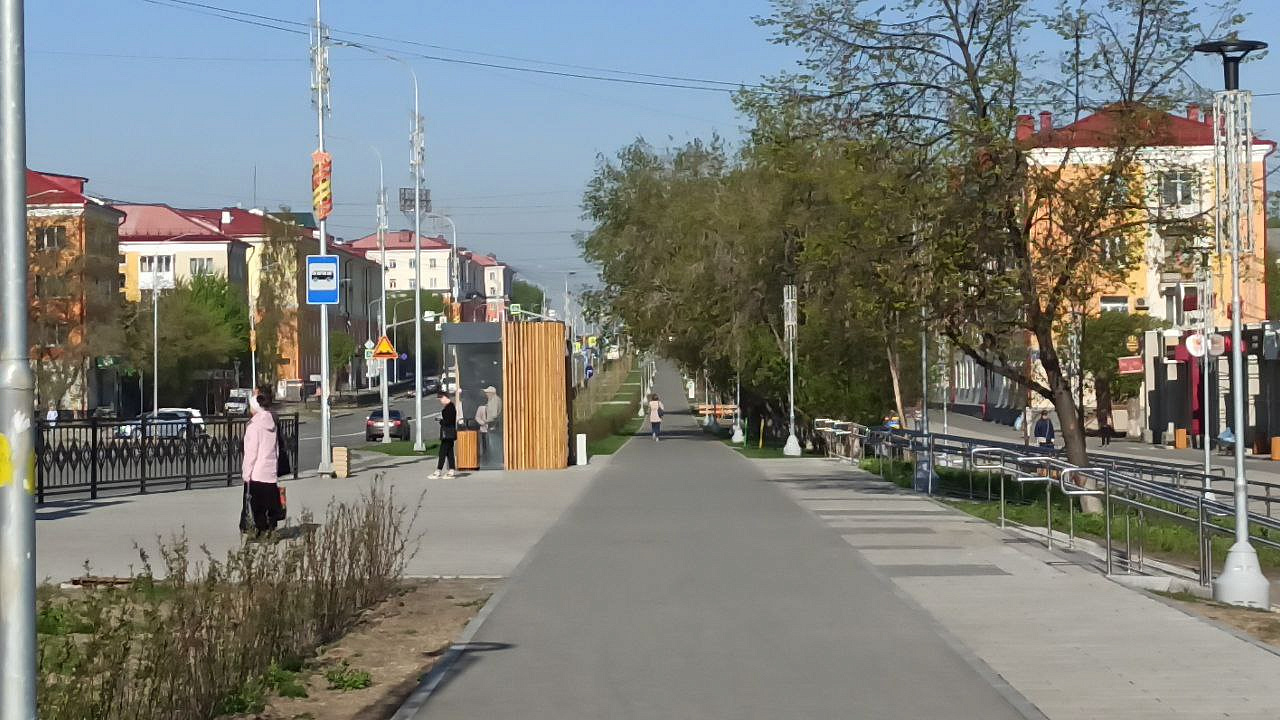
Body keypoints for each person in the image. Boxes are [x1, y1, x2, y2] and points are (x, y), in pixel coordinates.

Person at [242, 392, 281, 535]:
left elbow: (251, 453)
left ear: (255, 408)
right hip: (270, 472)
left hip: (257, 473)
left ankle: (261, 532)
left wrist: (246, 474)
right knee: (271, 504)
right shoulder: (272, 423)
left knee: (258, 507)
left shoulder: (254, 426)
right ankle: (272, 530)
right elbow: (276, 449)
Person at [431, 391, 457, 479]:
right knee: (449, 452)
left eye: (441, 399)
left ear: (445, 397)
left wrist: (441, 421)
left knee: (442, 452)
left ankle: (438, 470)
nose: (441, 401)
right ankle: (451, 470)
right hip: (450, 433)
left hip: (448, 432)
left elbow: (448, 421)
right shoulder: (450, 407)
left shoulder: (450, 408)